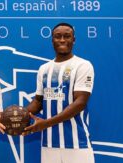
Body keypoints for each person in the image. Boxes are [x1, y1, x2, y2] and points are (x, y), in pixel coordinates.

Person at [23, 23, 95, 163]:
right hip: (49, 144)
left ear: (73, 40)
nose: (62, 40)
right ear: (52, 41)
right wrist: (18, 115)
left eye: (67, 36)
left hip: (77, 144)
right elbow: (38, 102)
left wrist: (46, 123)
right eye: (58, 36)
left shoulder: (83, 65)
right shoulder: (44, 69)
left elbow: (80, 102)